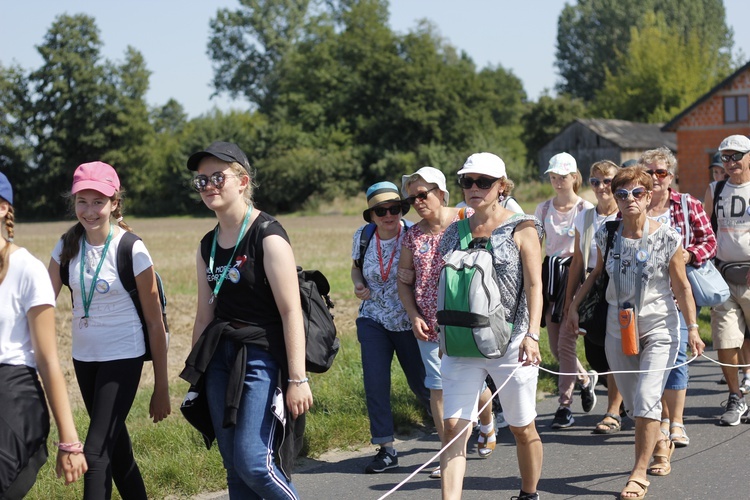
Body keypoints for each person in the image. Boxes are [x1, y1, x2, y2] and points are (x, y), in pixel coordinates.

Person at [180, 142, 311, 498]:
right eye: (201, 180)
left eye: (217, 177)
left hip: (262, 357)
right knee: (234, 468)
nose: (208, 185)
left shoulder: (267, 236)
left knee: (255, 463)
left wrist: (297, 379)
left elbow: (290, 312)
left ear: (242, 181)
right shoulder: (207, 245)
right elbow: (204, 313)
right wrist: (198, 378)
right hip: (220, 358)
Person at [568, 166, 704, 500]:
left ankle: (638, 474)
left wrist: (694, 328)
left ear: (649, 196)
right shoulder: (607, 233)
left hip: (659, 325)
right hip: (619, 324)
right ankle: (661, 440)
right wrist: (573, 305)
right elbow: (597, 273)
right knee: (632, 404)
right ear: (614, 197)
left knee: (646, 398)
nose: (630, 200)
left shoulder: (667, 237)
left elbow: (682, 286)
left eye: (637, 193)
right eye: (622, 193)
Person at [48, 162, 171, 499]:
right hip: (84, 358)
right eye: (82, 201)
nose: (89, 211)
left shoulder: (132, 249)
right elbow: (41, 303)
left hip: (123, 356)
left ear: (114, 203)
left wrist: (162, 385)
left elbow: (154, 323)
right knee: (117, 451)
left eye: (98, 201)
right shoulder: (65, 245)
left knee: (96, 452)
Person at [439, 153, 543, 500]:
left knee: (521, 427)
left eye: (483, 182)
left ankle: (529, 493)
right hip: (461, 342)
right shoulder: (452, 232)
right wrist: (443, 333)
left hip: (511, 342)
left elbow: (534, 287)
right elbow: (444, 287)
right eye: (467, 182)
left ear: (502, 186)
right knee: (453, 429)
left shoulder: (522, 227)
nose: (473, 188)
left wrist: (532, 335)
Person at [396, 166, 494, 480]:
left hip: (468, 320)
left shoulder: (467, 217)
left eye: (423, 195)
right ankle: (449, 454)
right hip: (429, 325)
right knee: (438, 388)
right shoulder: (412, 235)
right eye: (412, 199)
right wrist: (413, 316)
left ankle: (487, 424)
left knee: (476, 386)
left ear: (441, 192)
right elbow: (403, 281)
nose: (418, 202)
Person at [0, 172, 87, 498]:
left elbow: (48, 359)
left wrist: (69, 441)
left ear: (4, 208)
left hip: (13, 395)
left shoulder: (27, 269)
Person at [351, 181, 430, 474]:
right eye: (380, 210)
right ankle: (385, 448)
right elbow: (356, 266)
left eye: (394, 208)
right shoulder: (362, 236)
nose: (388, 215)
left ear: (401, 209)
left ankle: (458, 427)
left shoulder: (415, 234)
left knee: (422, 383)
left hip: (408, 321)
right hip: (372, 319)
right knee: (375, 383)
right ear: (371, 215)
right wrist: (358, 282)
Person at [641, 147, 716, 450]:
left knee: (677, 359)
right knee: (650, 362)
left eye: (661, 172)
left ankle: (676, 423)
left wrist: (690, 253)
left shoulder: (687, 204)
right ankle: (660, 418)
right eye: (649, 172)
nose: (655, 178)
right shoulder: (634, 205)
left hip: (679, 294)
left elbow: (709, 241)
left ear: (670, 176)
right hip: (643, 298)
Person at [563, 160, 624, 434]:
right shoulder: (585, 217)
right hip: (591, 286)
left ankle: (612, 412)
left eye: (607, 181)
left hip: (619, 286)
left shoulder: (625, 214)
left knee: (616, 350)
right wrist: (569, 305)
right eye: (595, 181)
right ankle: (621, 399)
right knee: (597, 354)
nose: (601, 187)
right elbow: (578, 261)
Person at [535, 152, 595, 428]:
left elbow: (588, 250)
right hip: (550, 275)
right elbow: (536, 247)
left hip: (574, 275)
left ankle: (564, 405)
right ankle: (585, 379)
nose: (558, 182)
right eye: (553, 177)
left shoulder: (585, 209)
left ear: (574, 177)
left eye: (563, 177)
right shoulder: (543, 209)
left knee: (566, 344)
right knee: (556, 348)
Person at [704, 135, 750, 426]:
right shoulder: (715, 189)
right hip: (722, 276)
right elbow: (706, 231)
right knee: (724, 339)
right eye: (725, 158)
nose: (731, 162)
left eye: (736, 156)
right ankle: (736, 396)